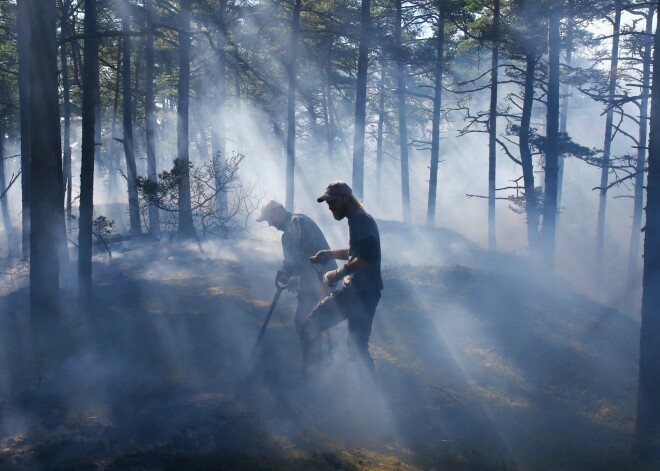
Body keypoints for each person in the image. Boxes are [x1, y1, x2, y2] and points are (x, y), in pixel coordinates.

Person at [303, 181, 383, 378]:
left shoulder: (359, 220)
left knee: (310, 326)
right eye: (328, 203)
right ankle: (370, 394)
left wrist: (338, 273)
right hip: (365, 292)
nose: (330, 207)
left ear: (346, 198)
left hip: (360, 293)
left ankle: (314, 379)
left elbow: (367, 256)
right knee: (357, 347)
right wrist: (329, 254)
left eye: (333, 202)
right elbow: (358, 251)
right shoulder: (359, 218)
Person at [256, 199, 337, 336]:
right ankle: (316, 354)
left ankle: (319, 356)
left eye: (268, 218)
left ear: (279, 210)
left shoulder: (298, 222)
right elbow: (290, 261)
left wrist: (298, 275)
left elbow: (310, 252)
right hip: (309, 283)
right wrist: (285, 273)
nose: (269, 224)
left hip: (321, 280)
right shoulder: (286, 236)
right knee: (305, 323)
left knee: (306, 323)